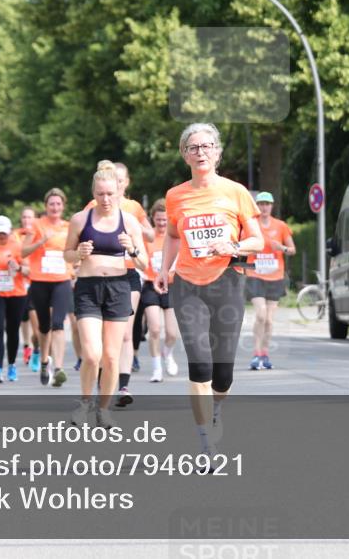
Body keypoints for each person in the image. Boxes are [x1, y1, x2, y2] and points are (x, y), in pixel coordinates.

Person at [155, 123, 263, 460]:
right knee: (199, 365)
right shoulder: (175, 195)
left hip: (227, 283)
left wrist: (231, 244)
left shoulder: (236, 192)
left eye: (207, 146)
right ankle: (206, 444)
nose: (201, 152)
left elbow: (258, 240)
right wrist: (163, 268)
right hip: (187, 285)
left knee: (223, 373)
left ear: (217, 152)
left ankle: (216, 409)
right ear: (184, 154)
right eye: (193, 147)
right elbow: (173, 235)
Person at [65, 161, 147, 428]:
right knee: (92, 354)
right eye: (100, 193)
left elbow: (145, 263)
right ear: (93, 192)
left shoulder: (129, 221)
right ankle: (85, 403)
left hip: (118, 287)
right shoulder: (80, 219)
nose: (106, 199)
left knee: (111, 356)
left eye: (110, 193)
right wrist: (78, 254)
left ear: (119, 191)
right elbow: (66, 253)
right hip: (88, 288)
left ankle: (103, 409)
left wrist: (132, 249)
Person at [87, 163, 154, 406]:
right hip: (101, 277)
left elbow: (150, 235)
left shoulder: (133, 208)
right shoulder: (93, 208)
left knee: (126, 332)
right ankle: (103, 382)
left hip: (129, 273)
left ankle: (123, 386)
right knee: (105, 337)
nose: (119, 183)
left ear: (125, 183)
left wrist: (135, 236)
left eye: (122, 180)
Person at [22, 188, 73, 387]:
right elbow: (23, 251)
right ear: (46, 206)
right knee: (44, 327)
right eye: (51, 204)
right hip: (40, 282)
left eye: (58, 204)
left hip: (61, 280)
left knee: (58, 324)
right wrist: (41, 241)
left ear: (63, 206)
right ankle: (45, 361)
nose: (55, 207)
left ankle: (58, 368)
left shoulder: (69, 227)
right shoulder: (36, 225)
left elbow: (73, 250)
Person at [245, 192, 296, 370]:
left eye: (267, 204)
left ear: (272, 206)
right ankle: (255, 353)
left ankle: (264, 354)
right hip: (255, 275)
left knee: (269, 320)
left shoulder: (280, 226)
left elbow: (292, 250)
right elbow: (241, 245)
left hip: (275, 276)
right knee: (260, 314)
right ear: (257, 206)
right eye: (261, 204)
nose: (264, 207)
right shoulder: (251, 226)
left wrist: (280, 247)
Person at [0, 215, 30, 383]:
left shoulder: (18, 246)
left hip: (16, 294)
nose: (2, 236)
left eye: (5, 233)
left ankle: (12, 365)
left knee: (12, 330)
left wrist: (18, 267)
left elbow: (29, 271)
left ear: (10, 231)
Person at [139, 199, 181, 381]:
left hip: (171, 286)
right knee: (155, 329)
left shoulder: (175, 237)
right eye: (158, 220)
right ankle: (157, 367)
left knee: (172, 333)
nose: (162, 223)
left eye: (165, 220)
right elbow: (140, 261)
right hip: (150, 285)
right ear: (153, 219)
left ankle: (167, 353)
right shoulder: (148, 238)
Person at [14, 207, 42, 370]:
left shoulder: (39, 235)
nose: (26, 220)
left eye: (30, 217)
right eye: (24, 217)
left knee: (37, 324)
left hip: (36, 281)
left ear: (35, 219)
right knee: (23, 318)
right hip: (20, 282)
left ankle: (36, 345)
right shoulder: (16, 235)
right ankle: (27, 347)